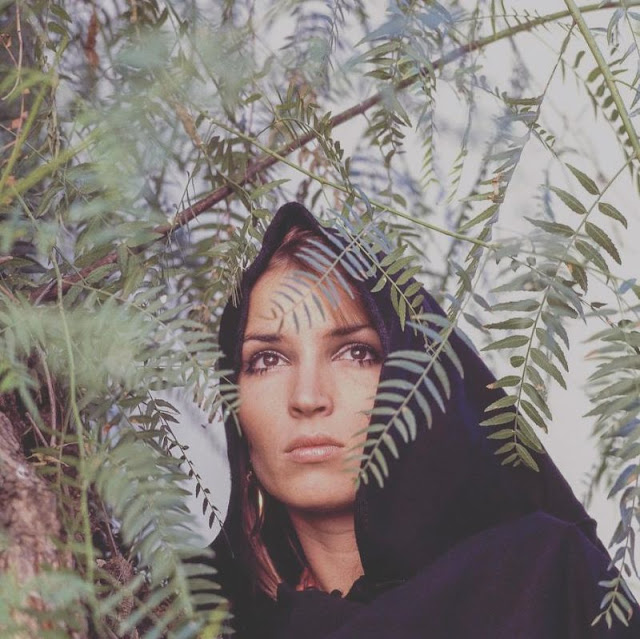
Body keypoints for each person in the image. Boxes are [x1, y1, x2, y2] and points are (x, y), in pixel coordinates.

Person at [212, 201, 640, 638]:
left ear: (417, 379)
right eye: (267, 360)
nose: (307, 397)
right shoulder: (195, 616)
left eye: (356, 353)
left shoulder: (546, 581)